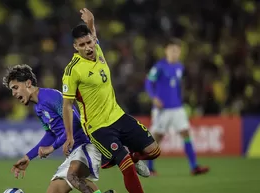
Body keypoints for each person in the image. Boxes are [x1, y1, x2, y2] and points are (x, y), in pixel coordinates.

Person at [62, 8, 160, 193]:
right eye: (82, 45)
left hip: (118, 116)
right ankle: (126, 160)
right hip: (98, 127)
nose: (88, 47)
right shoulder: (72, 70)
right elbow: (67, 105)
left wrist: (91, 21)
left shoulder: (97, 49)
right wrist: (69, 136)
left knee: (154, 151)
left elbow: (93, 34)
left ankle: (131, 156)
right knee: (126, 164)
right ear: (75, 47)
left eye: (89, 42)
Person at [3, 64, 115, 193]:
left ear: (28, 83)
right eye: (12, 90)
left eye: (15, 88)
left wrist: (52, 147)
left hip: (85, 145)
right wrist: (28, 157)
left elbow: (75, 121)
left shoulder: (51, 96)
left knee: (72, 175)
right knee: (54, 190)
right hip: (74, 152)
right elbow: (51, 134)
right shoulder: (38, 107)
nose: (13, 93)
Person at [145, 38, 210, 176]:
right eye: (172, 50)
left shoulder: (180, 66)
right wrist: (154, 97)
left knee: (186, 133)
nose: (174, 52)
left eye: (177, 50)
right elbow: (148, 83)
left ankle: (194, 166)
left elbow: (177, 86)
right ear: (166, 50)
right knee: (157, 138)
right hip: (162, 109)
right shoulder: (159, 66)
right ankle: (149, 168)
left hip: (177, 108)